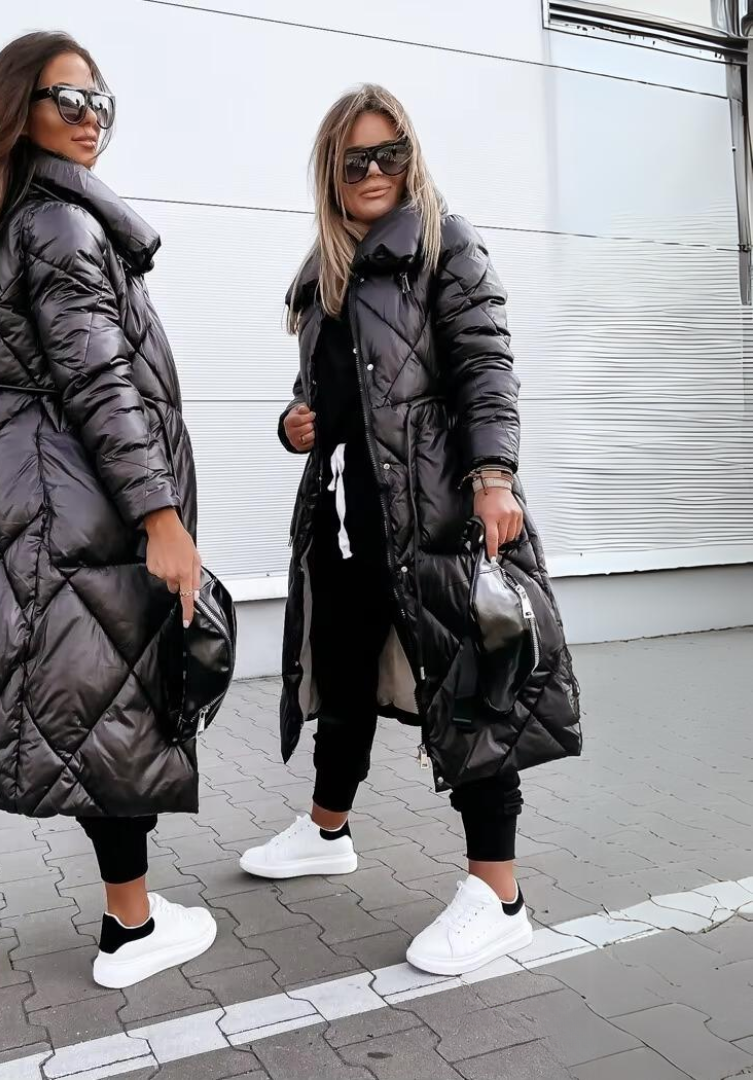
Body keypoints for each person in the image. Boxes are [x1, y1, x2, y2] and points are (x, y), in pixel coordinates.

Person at [0, 31, 216, 994]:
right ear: (17, 109)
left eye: (100, 101)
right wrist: (161, 517)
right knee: (109, 702)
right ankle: (132, 926)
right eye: (69, 99)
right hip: (61, 521)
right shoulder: (62, 224)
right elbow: (100, 382)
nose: (89, 117)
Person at [240, 85, 582, 976]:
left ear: (411, 157)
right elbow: (327, 394)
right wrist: (295, 422)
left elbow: (486, 369)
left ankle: (498, 895)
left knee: (473, 688)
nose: (375, 171)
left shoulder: (445, 247)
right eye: (355, 159)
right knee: (344, 675)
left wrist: (494, 478)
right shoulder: (322, 275)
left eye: (389, 153)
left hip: (438, 515)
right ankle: (327, 830)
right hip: (348, 524)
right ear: (331, 171)